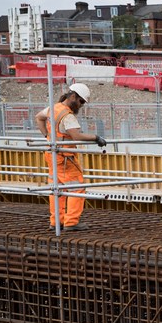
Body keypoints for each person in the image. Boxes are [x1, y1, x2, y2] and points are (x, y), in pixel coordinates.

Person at [33, 83, 105, 231]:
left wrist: (47, 137)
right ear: (73, 97)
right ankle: (71, 222)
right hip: (65, 157)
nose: (81, 105)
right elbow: (76, 135)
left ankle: (56, 222)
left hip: (52, 154)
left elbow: (39, 118)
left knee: (56, 189)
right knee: (77, 187)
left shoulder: (54, 108)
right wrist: (96, 138)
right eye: (81, 102)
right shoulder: (67, 115)